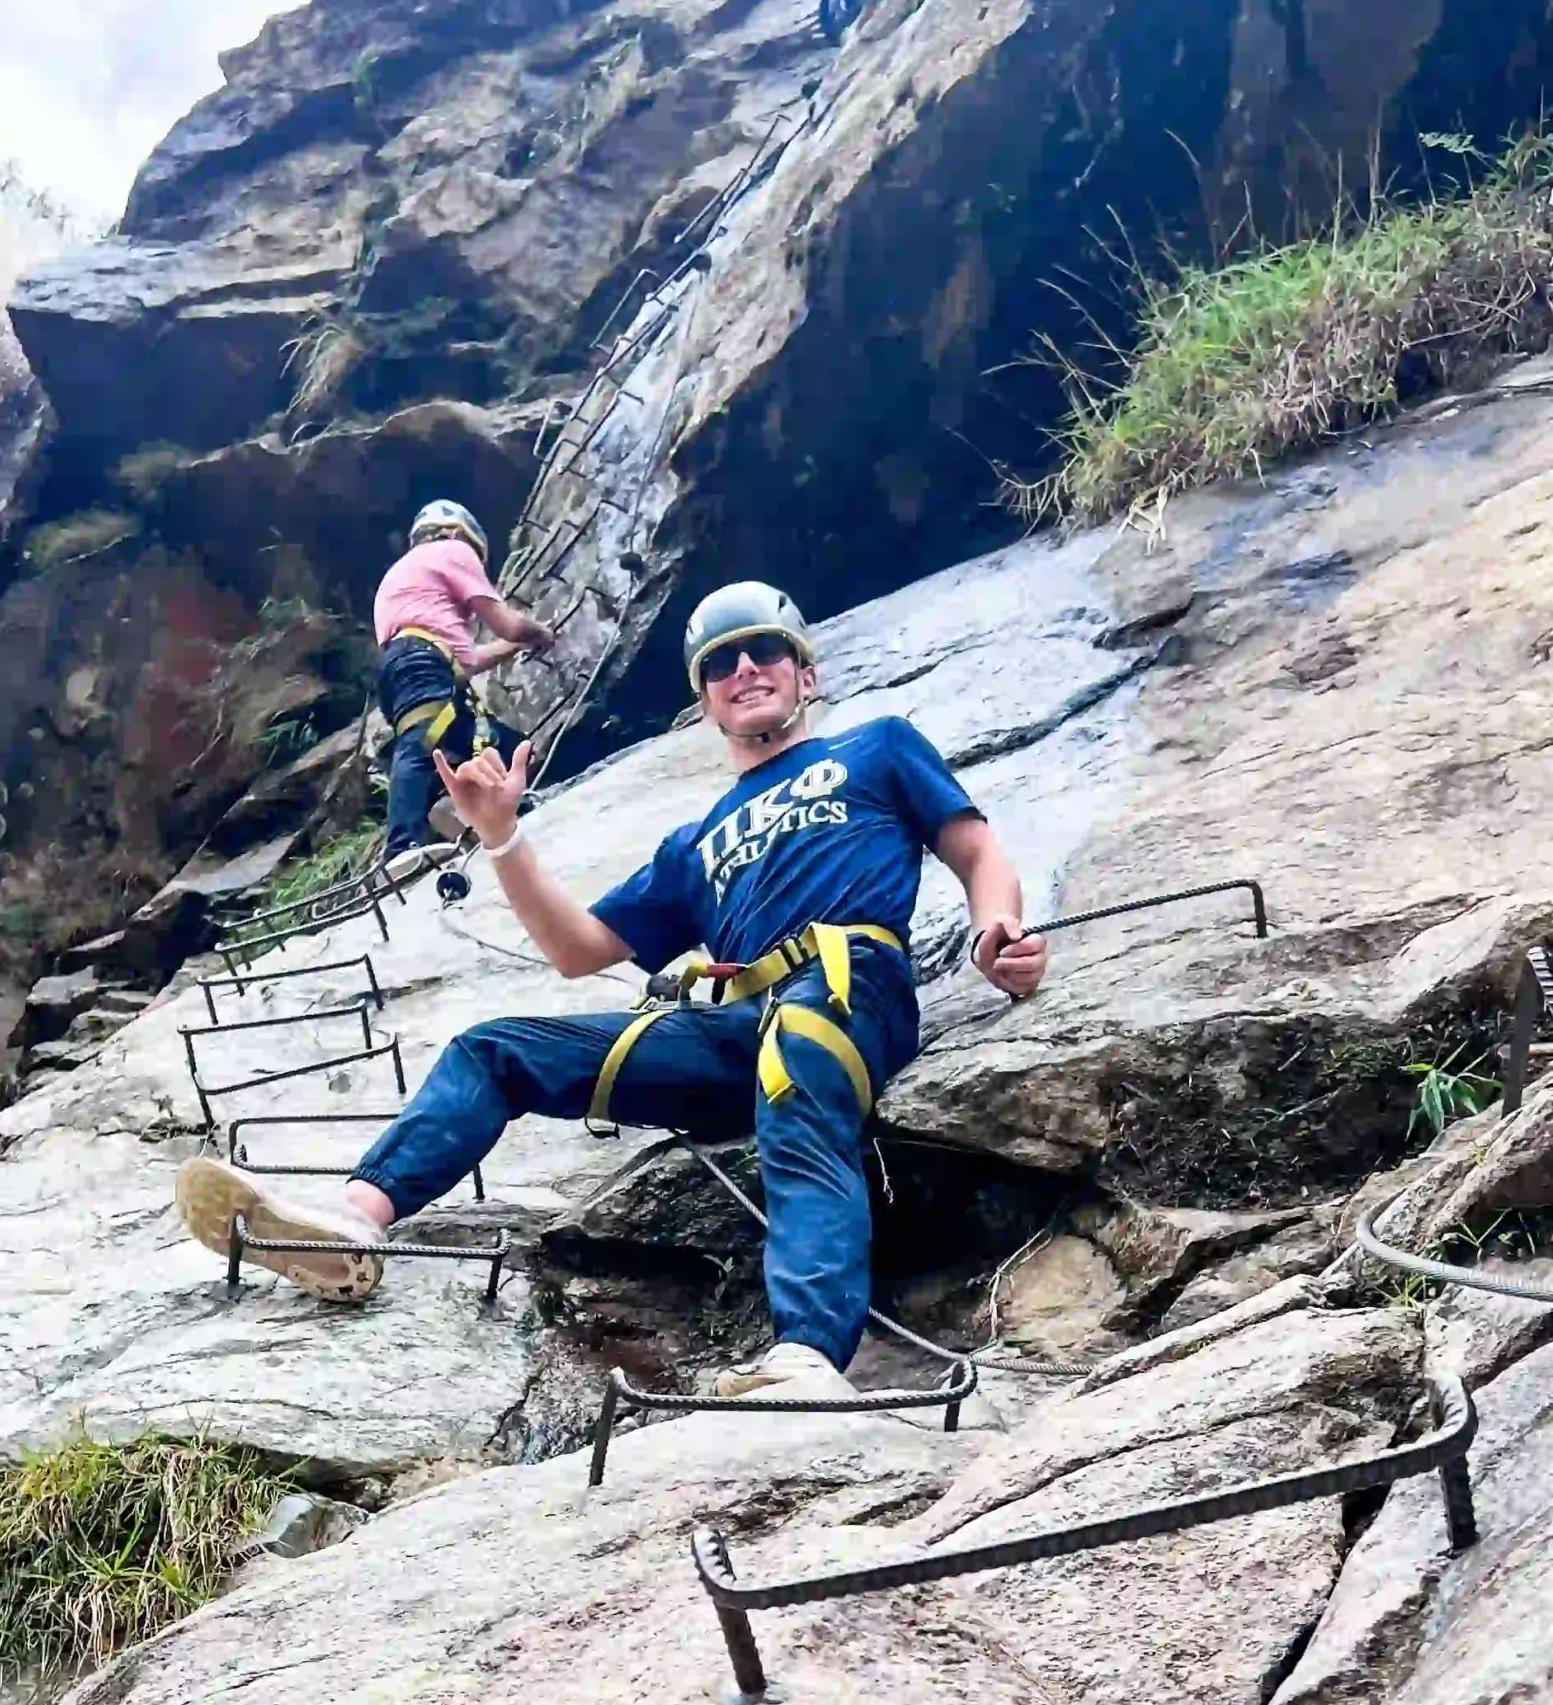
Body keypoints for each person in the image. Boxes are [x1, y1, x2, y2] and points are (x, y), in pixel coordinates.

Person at [176, 581, 1048, 1397]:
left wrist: (993, 930)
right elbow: (578, 948)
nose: (743, 672)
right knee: (496, 1052)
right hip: (733, 1024)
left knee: (796, 1067)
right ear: (704, 701)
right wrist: (500, 835)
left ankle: (809, 1355)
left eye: (763, 653)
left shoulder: (877, 748)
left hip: (845, 985)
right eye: (719, 664)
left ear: (805, 673)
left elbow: (972, 849)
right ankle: (351, 1221)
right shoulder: (693, 841)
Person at [369, 499, 552, 872]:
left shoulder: (402, 577)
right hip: (423, 662)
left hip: (404, 667)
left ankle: (492, 810)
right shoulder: (452, 550)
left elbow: (466, 661)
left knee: (509, 746)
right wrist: (538, 632)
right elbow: (508, 625)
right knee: (424, 739)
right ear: (457, 534)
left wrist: (516, 644)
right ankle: (403, 846)